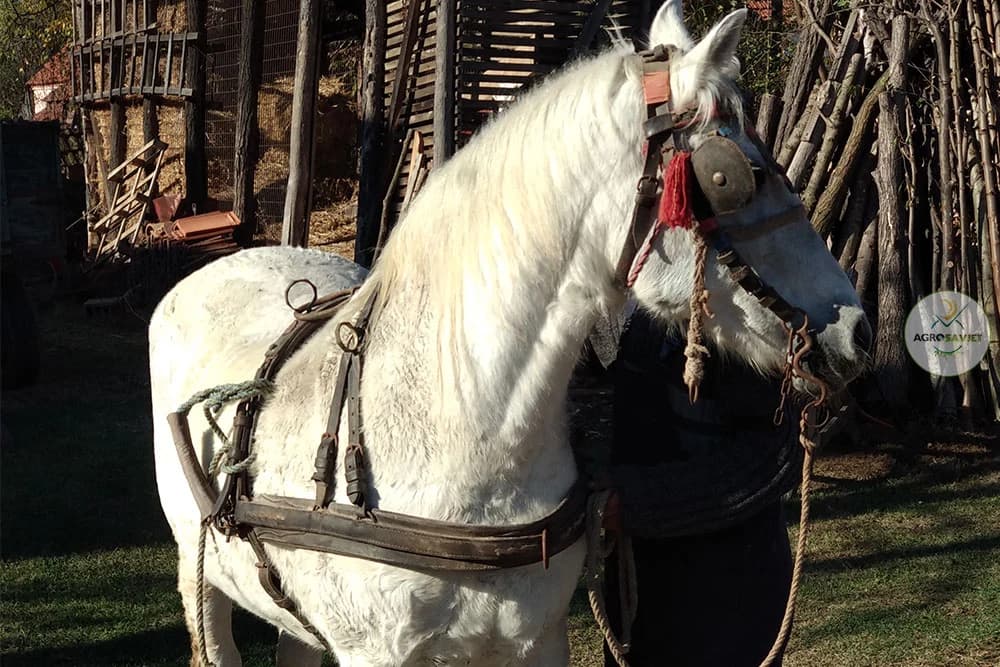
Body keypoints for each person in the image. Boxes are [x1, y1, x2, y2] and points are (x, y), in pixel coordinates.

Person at [601, 309, 800, 667]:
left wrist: (636, 502)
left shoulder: (737, 321)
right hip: (641, 588)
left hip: (728, 594)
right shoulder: (635, 311)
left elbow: (776, 455)